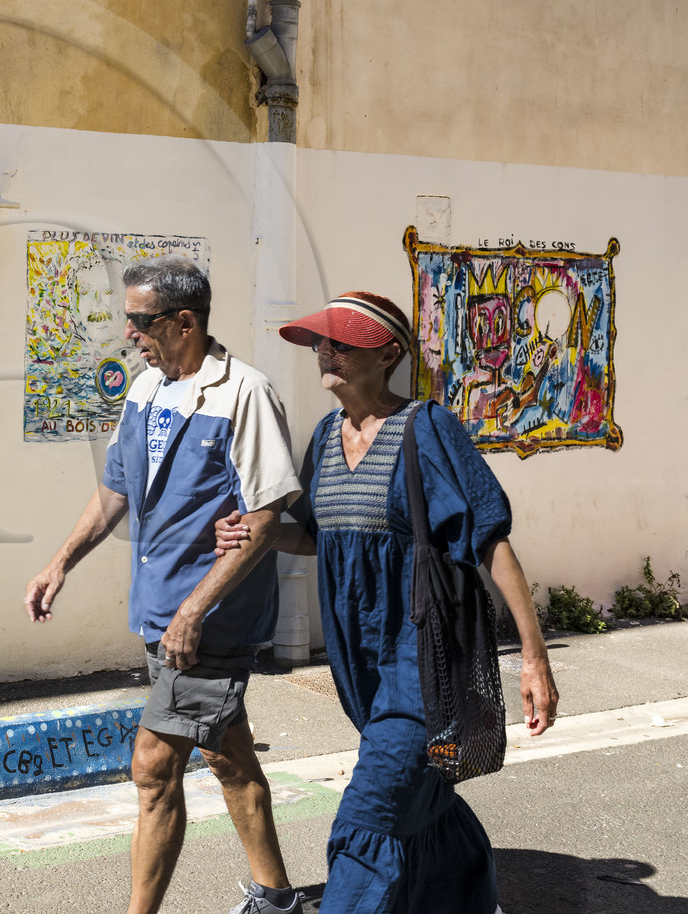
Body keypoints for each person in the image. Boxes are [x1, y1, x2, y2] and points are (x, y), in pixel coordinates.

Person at [215, 291, 559, 914]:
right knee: (417, 794)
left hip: (423, 654)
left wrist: (534, 659)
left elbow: (489, 537)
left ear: (388, 354)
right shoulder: (326, 437)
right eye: (322, 341)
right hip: (359, 657)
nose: (326, 351)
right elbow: (320, 536)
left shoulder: (427, 428)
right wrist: (256, 534)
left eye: (343, 342)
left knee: (371, 812)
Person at [25, 254, 306, 914]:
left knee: (153, 767)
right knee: (228, 755)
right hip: (160, 613)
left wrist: (194, 609)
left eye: (141, 320)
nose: (130, 333)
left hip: (208, 623)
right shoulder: (145, 390)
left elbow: (267, 518)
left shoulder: (244, 394)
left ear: (185, 321)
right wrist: (61, 561)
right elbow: (116, 490)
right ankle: (276, 897)